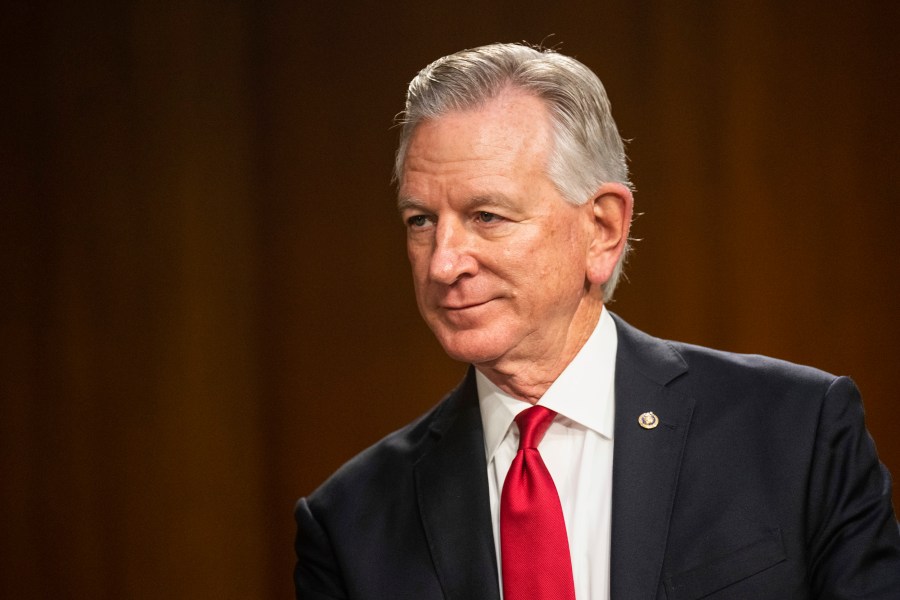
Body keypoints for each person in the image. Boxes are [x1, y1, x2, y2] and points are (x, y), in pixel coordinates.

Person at [294, 43, 900, 599]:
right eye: (421, 221)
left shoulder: (797, 432)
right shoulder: (350, 524)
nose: (443, 263)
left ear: (603, 229)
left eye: (487, 216)